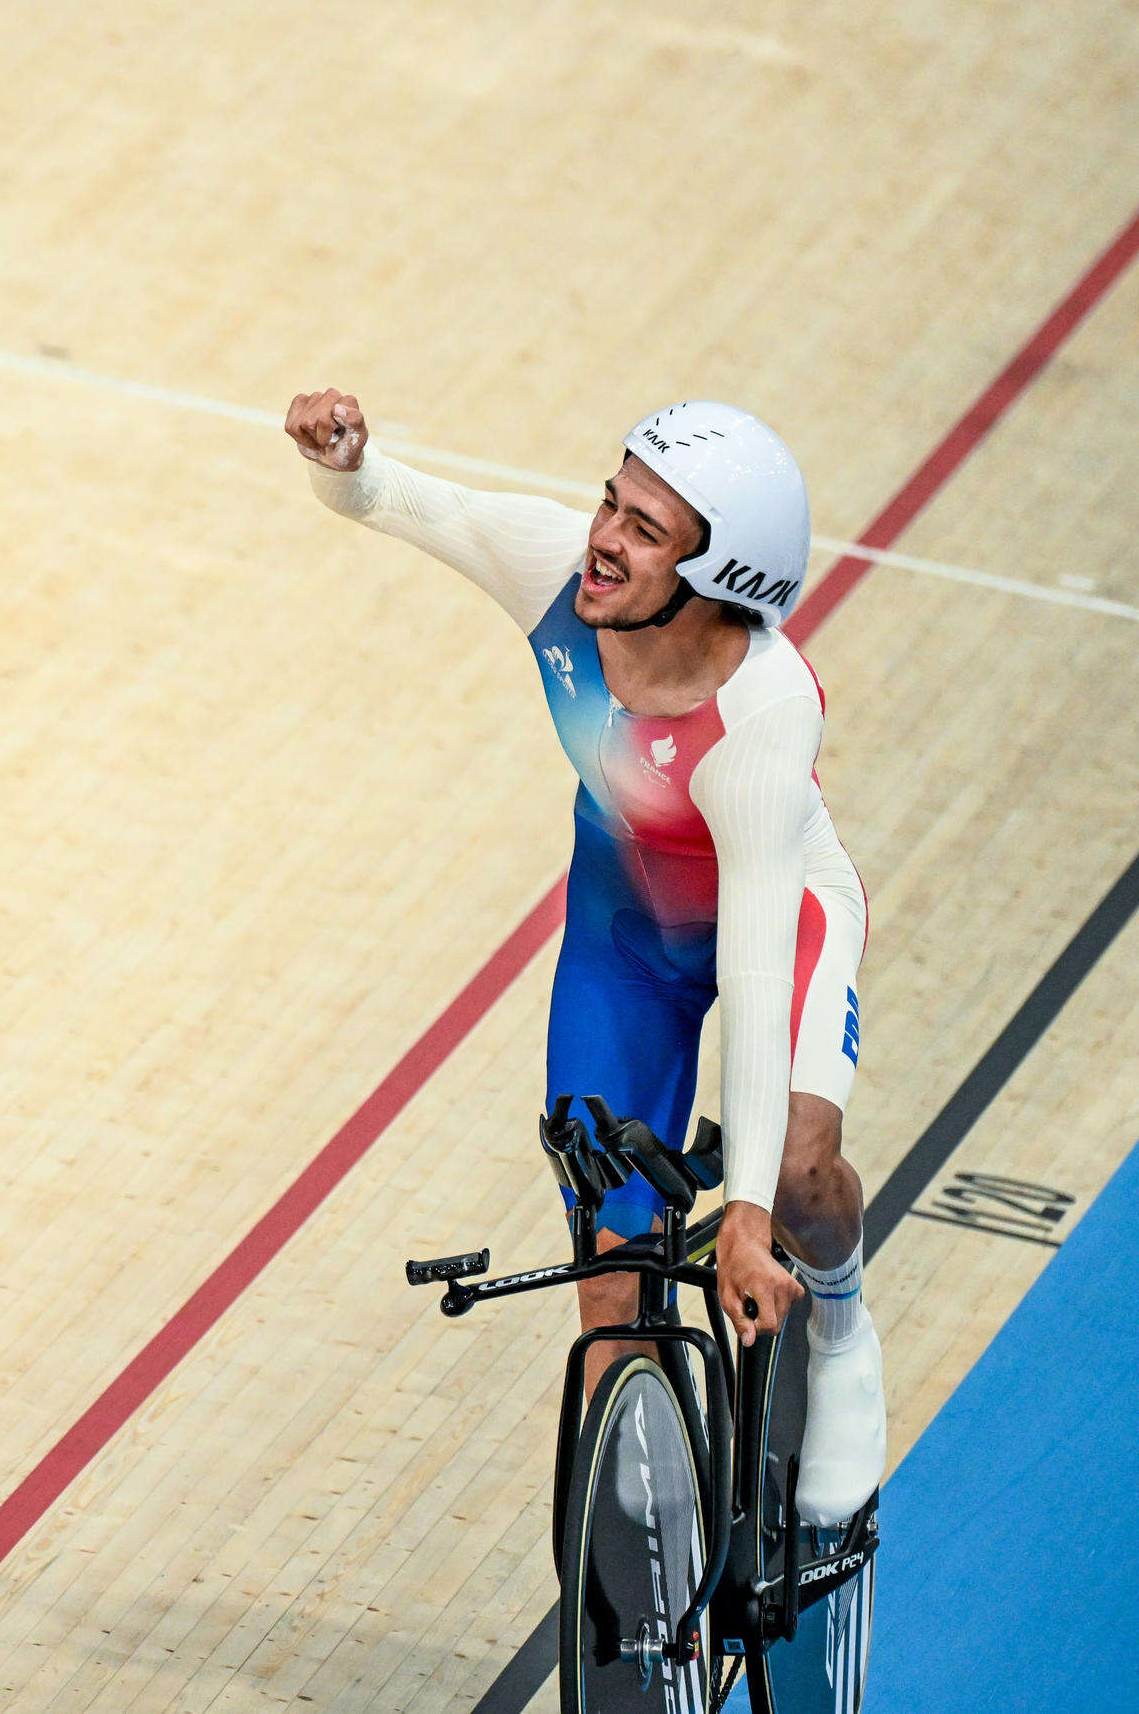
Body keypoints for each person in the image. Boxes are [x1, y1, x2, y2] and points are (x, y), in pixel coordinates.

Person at [285, 388, 885, 1526]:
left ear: (719, 578)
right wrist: (345, 461)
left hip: (776, 922)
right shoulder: (555, 569)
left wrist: (749, 1215)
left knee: (801, 1167)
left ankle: (845, 1323)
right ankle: (643, 1595)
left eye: (645, 529)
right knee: (611, 1278)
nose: (604, 534)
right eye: (614, 500)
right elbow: (404, 502)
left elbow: (756, 981)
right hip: (625, 938)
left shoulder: (762, 713)